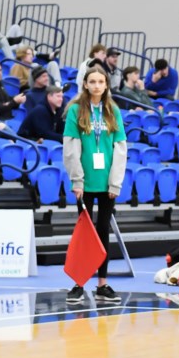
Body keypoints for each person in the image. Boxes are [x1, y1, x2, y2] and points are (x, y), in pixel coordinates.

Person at [63, 69, 127, 305]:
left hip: (107, 183)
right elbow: (71, 148)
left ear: (107, 85)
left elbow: (120, 148)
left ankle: (102, 284)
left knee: (102, 232)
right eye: (93, 81)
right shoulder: (75, 111)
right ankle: (79, 284)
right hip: (85, 184)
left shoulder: (113, 111)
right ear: (86, 85)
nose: (97, 85)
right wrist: (77, 180)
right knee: (84, 236)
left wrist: (115, 182)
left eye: (101, 81)